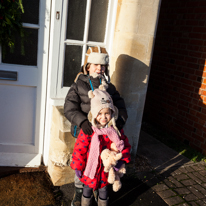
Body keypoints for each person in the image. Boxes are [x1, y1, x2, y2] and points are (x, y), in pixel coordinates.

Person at [64, 46, 128, 206]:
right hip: (84, 132)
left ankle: (101, 188)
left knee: (101, 162)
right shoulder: (79, 85)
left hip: (105, 134)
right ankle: (80, 193)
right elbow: (69, 107)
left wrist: (120, 119)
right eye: (95, 65)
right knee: (83, 161)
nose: (99, 68)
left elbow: (120, 104)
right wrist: (82, 121)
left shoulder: (109, 87)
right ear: (87, 66)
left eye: (102, 66)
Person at [70, 87, 131, 206]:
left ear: (112, 113)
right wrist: (78, 166)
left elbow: (125, 146)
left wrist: (120, 162)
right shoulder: (89, 131)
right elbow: (79, 149)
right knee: (87, 189)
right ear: (93, 114)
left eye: (107, 113)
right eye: (100, 114)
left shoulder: (115, 131)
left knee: (103, 190)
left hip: (105, 171)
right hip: (89, 169)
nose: (103, 117)